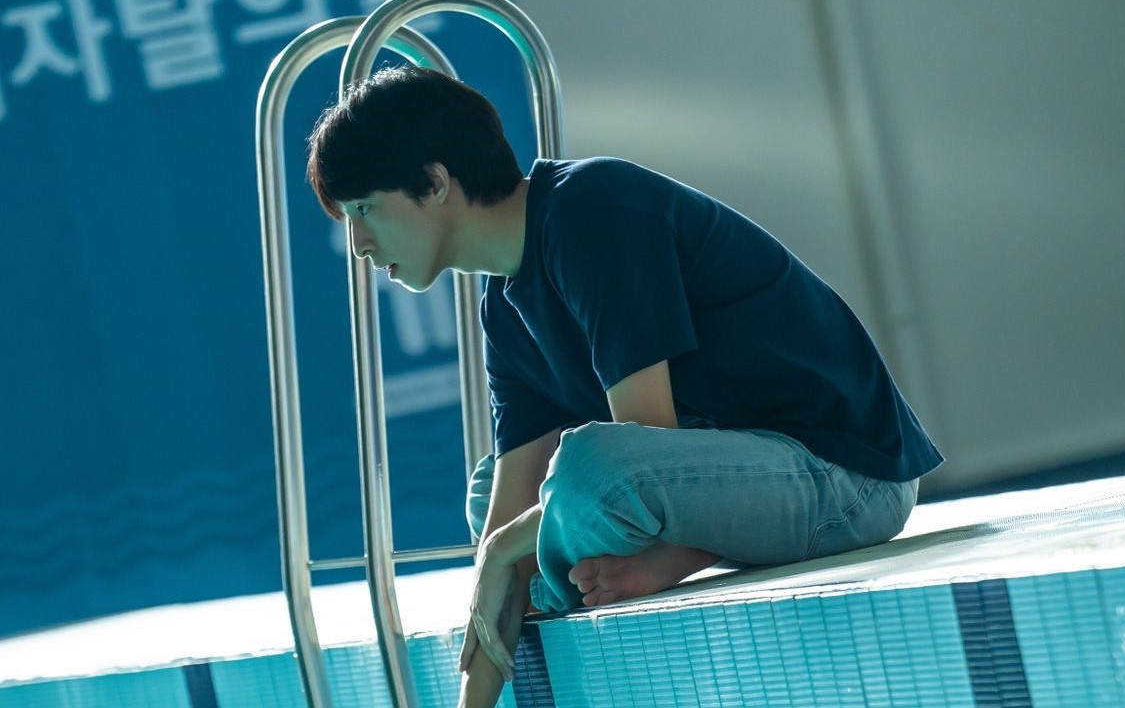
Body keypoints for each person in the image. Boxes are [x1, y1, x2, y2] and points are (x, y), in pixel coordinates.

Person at [307, 64, 943, 708]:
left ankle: (682, 553)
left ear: (435, 182)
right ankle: (665, 555)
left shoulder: (592, 208)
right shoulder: (504, 308)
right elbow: (500, 551)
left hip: (849, 477)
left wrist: (504, 550)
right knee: (492, 493)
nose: (357, 244)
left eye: (363, 209)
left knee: (589, 469)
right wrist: (477, 672)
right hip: (734, 481)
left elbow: (644, 449)